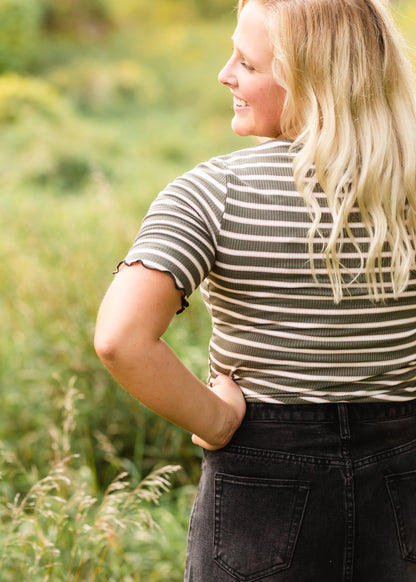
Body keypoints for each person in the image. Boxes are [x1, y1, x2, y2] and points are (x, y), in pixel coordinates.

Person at [94, 0, 416, 580]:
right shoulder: (408, 189)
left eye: (247, 61)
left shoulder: (212, 191)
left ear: (310, 81)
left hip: (262, 487)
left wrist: (216, 420)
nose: (225, 73)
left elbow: (121, 339)